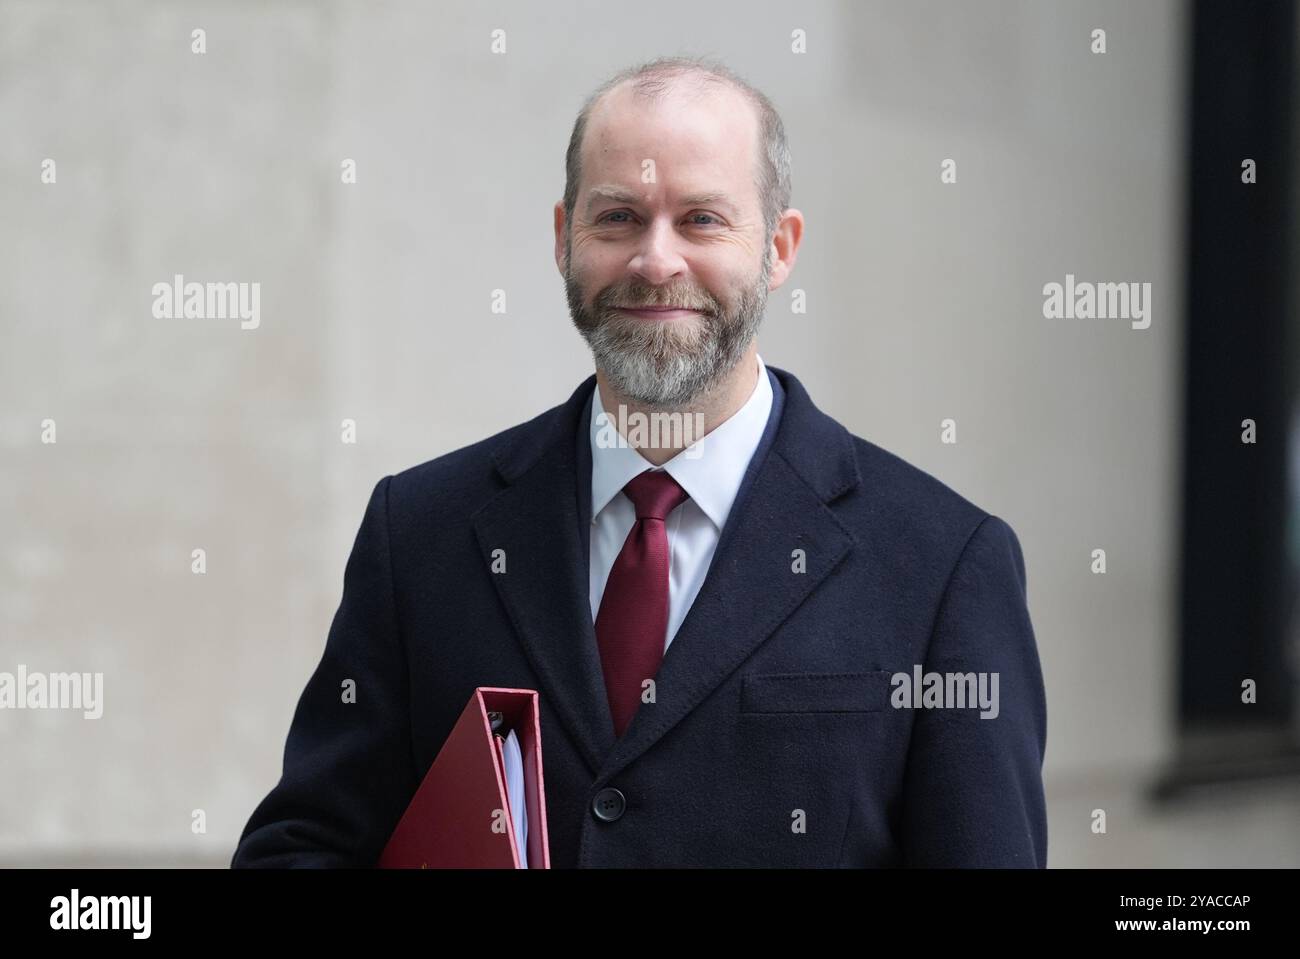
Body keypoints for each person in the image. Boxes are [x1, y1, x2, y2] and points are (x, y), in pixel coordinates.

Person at [232, 55, 1047, 868]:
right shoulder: (417, 533)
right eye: (618, 217)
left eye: (701, 219)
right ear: (563, 237)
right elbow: (302, 849)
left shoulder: (944, 566)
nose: (656, 261)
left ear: (780, 248)